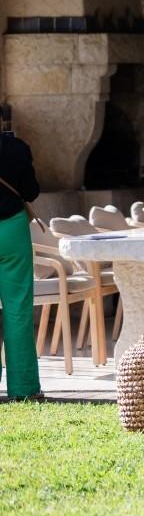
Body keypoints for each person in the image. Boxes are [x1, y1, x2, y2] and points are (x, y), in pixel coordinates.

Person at [0, 132, 42, 402]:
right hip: (12, 231)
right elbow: (31, 191)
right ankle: (24, 388)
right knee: (18, 311)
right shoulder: (16, 147)